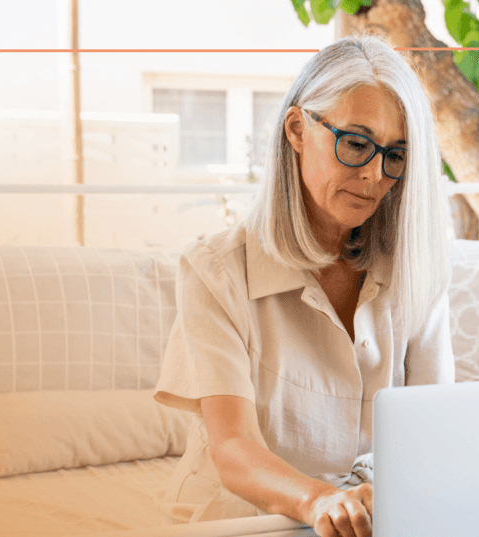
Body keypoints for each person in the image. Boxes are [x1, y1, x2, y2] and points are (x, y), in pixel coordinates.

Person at [153, 34, 454, 537]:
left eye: (396, 154)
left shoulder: (416, 270)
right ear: (297, 128)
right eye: (356, 144)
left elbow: (434, 428)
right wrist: (323, 501)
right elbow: (233, 449)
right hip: (244, 521)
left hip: (368, 521)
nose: (376, 176)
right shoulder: (216, 271)